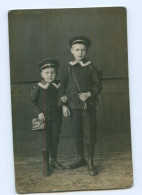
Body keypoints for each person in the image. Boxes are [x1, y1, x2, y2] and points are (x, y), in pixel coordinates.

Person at [59, 36, 102, 176]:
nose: (80, 53)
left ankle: (90, 161)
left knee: (89, 133)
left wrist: (89, 93)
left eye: (83, 50)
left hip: (86, 107)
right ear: (72, 50)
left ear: (86, 51)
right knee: (76, 132)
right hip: (72, 107)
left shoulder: (90, 66)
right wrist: (64, 105)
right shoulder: (67, 68)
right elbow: (62, 87)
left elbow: (98, 85)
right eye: (77, 50)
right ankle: (80, 158)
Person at [31, 58, 66, 177]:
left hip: (56, 118)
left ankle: (54, 160)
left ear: (56, 73)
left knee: (55, 139)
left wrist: (64, 101)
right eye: (47, 73)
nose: (50, 75)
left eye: (53, 72)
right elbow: (32, 103)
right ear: (42, 74)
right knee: (44, 141)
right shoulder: (39, 87)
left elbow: (63, 98)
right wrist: (39, 113)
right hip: (43, 119)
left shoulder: (59, 86)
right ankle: (46, 164)